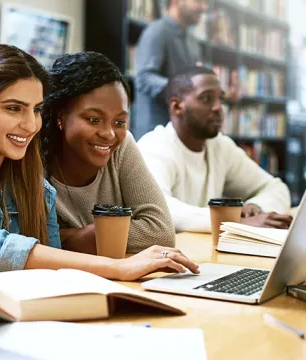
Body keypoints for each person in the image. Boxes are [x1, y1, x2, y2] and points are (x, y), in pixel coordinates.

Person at [0, 44, 199, 280]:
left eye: (35, 110)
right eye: (13, 108)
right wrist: (120, 268)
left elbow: (53, 270)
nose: (30, 124)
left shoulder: (31, 179)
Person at [40, 51, 175, 255]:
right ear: (61, 115)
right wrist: (75, 239)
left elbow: (161, 232)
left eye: (119, 122)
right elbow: (29, 240)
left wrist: (77, 236)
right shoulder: (34, 155)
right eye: (94, 119)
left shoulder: (122, 146)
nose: (109, 134)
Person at [137, 66, 292, 233]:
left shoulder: (220, 146)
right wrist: (235, 222)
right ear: (176, 106)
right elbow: (159, 209)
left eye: (221, 99)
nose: (219, 108)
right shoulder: (154, 146)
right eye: (206, 98)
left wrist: (255, 206)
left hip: (204, 251)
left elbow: (276, 188)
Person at [134, 0, 208, 138]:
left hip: (183, 135)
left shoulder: (193, 42)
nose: (204, 7)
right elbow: (144, 79)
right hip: (155, 136)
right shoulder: (156, 32)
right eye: (198, 1)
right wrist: (182, 87)